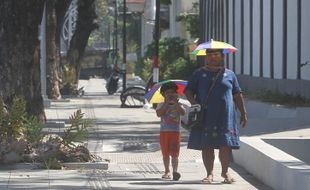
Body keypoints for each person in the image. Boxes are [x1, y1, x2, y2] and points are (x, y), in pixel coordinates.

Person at [184, 48, 247, 184]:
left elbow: (237, 94)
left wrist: (243, 112)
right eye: (210, 55)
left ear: (222, 57)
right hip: (206, 114)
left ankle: (225, 172)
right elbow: (188, 91)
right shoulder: (199, 74)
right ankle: (209, 174)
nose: (213, 57)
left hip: (226, 115)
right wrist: (195, 104)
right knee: (207, 145)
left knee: (226, 144)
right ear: (206, 57)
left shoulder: (230, 74)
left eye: (216, 54)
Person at [156, 81, 185, 181]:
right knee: (165, 153)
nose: (170, 94)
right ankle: (167, 171)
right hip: (164, 132)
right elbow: (159, 114)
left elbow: (183, 112)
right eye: (167, 92)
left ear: (176, 93)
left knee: (175, 153)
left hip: (175, 132)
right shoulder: (161, 104)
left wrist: (176, 104)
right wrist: (166, 104)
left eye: (172, 92)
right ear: (163, 94)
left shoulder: (179, 104)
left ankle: (175, 171)